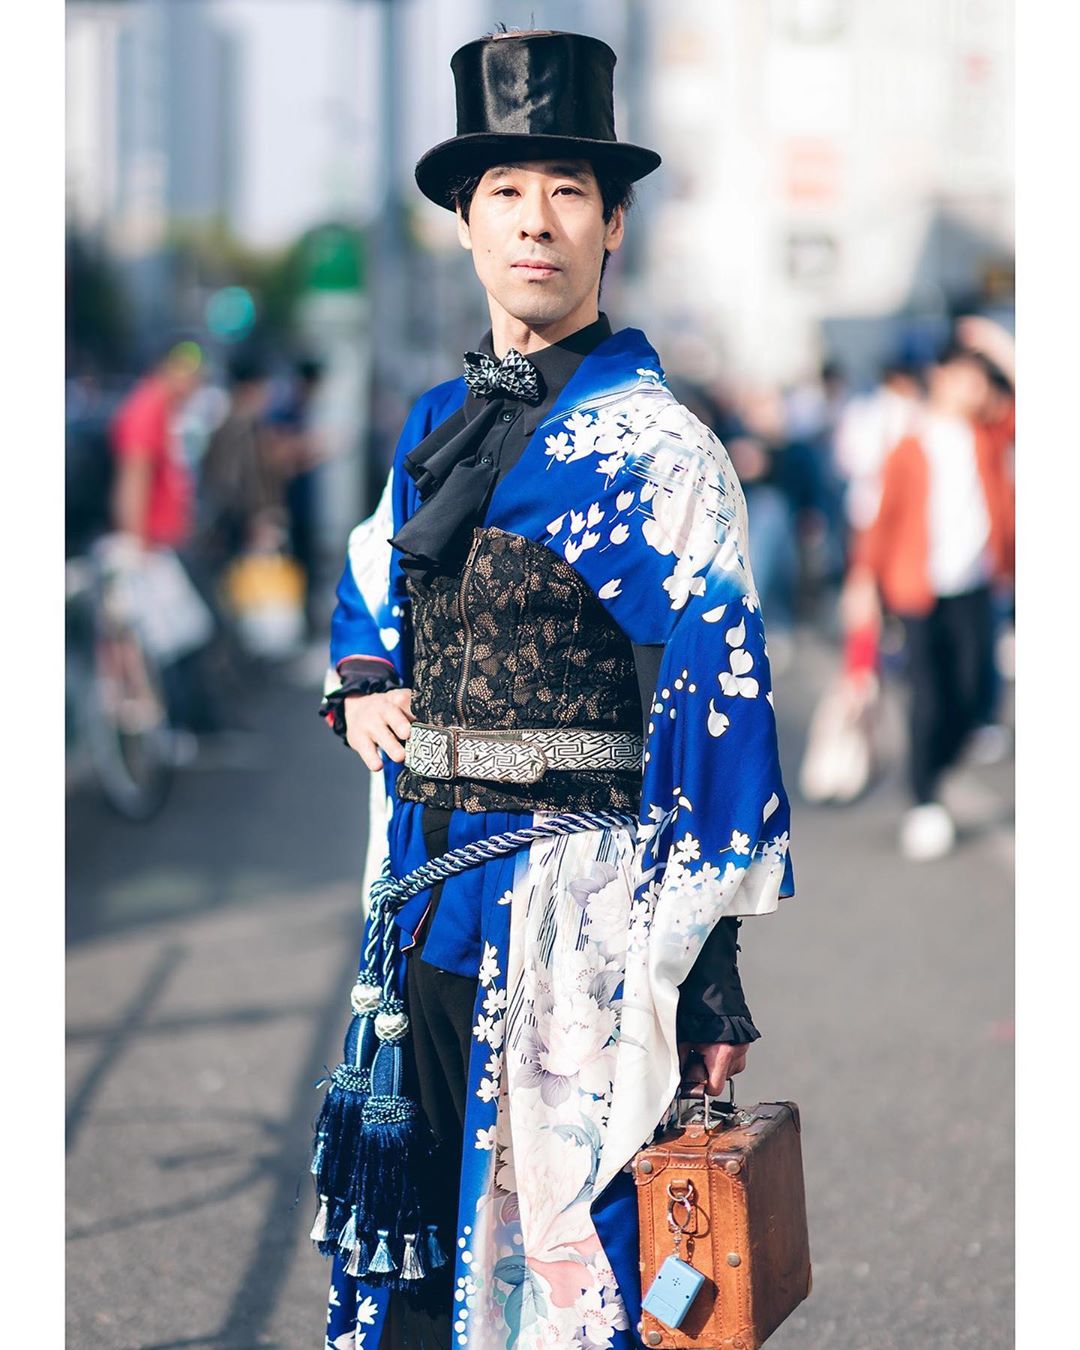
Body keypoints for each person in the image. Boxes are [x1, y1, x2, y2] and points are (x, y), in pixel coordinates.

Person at [316, 31, 794, 1349]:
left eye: (569, 191)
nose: (537, 220)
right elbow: (369, 580)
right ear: (465, 224)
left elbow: (721, 717)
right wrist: (361, 678)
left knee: (572, 1259)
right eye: (507, 192)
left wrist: (710, 985)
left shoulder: (662, 449)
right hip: (420, 899)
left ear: (614, 224)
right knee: (416, 1256)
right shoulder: (431, 424)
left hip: (581, 913)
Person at [844, 342, 1014, 860]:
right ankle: (923, 799)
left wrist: (994, 345)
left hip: (976, 585)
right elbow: (883, 520)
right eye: (967, 376)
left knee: (976, 693)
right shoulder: (909, 446)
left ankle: (937, 769)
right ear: (941, 378)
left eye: (982, 380)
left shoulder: (987, 435)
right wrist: (862, 583)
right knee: (929, 696)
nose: (977, 388)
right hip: (917, 590)